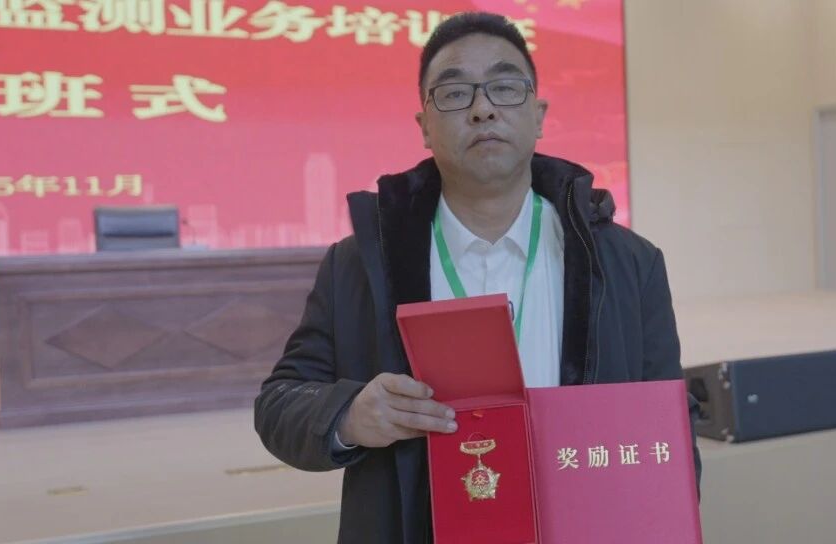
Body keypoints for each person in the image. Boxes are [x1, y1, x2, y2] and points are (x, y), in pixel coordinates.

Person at [254, 11, 700, 543]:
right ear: (424, 126)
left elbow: (671, 428)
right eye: (455, 93)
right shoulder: (358, 264)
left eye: (505, 88)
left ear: (538, 115)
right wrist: (349, 415)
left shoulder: (629, 263)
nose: (483, 109)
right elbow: (279, 403)